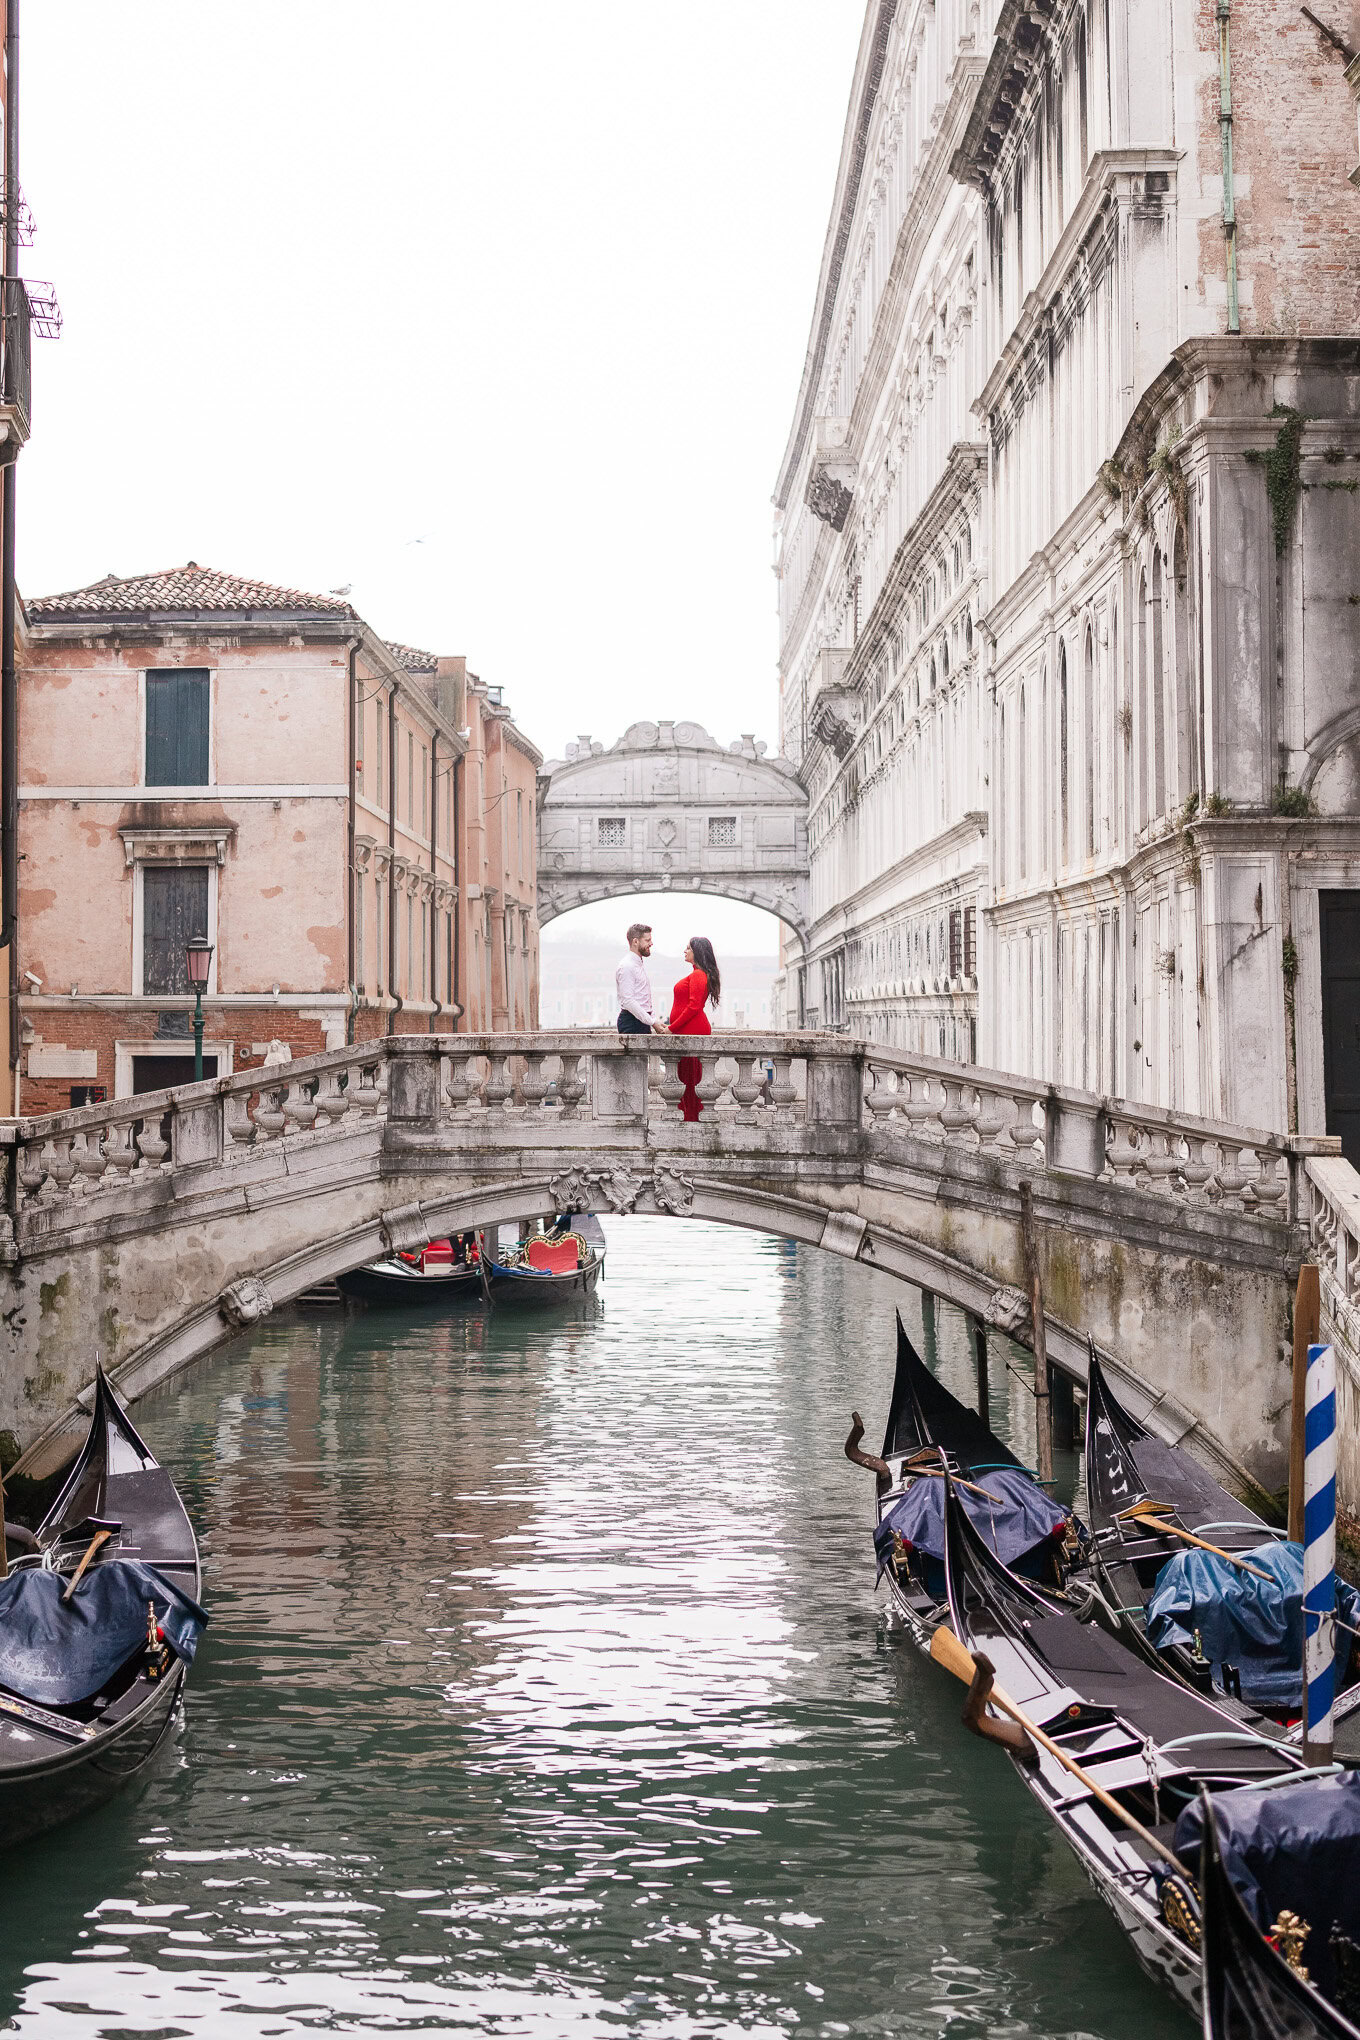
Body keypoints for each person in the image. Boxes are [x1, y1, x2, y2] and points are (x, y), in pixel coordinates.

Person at [667, 936, 721, 1121]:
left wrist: (671, 1028)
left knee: (690, 1079)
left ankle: (690, 1117)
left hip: (692, 1030)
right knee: (686, 1078)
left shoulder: (698, 975)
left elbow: (694, 1006)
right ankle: (689, 1115)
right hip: (688, 1029)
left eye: (688, 948)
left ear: (696, 952)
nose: (685, 951)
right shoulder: (696, 974)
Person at [616, 922, 669, 1036]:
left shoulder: (636, 964)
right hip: (632, 1022)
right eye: (647, 940)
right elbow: (628, 1001)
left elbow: (643, 999)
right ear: (635, 941)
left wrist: (653, 1019)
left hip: (639, 1021)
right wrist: (652, 1021)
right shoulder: (627, 966)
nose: (651, 943)